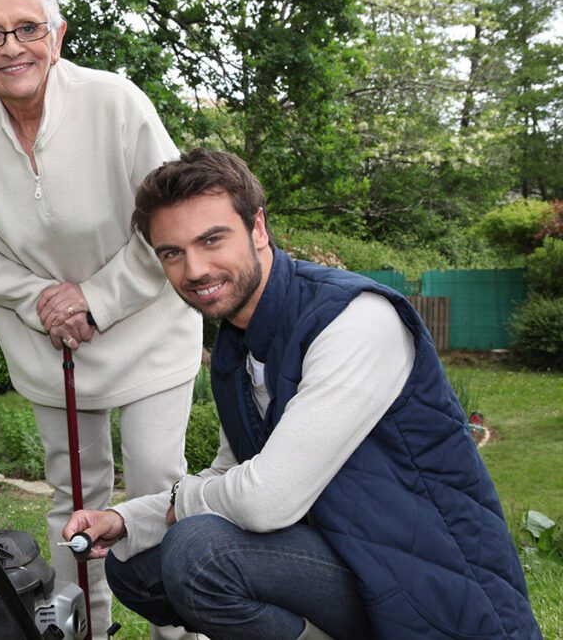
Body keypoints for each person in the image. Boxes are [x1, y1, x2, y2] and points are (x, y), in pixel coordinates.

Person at [64, 149, 542, 640]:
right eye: (173, 253)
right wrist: (127, 519)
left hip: (434, 585)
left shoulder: (355, 319)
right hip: (350, 558)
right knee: (136, 564)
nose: (195, 269)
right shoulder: (238, 343)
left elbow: (266, 500)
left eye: (212, 240)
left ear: (258, 229)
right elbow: (233, 473)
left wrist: (181, 504)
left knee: (200, 551)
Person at [0, 0, 203, 638]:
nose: (11, 46)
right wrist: (40, 299)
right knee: (72, 497)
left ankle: (183, 628)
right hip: (48, 340)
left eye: (28, 28)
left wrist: (95, 299)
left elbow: (171, 218)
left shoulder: (116, 102)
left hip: (146, 327)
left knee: (158, 487)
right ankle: (84, 630)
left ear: (58, 36)